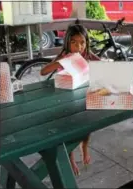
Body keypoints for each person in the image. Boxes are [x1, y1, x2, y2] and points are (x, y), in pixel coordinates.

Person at [41, 24, 100, 175]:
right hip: (66, 101)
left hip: (85, 98)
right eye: (74, 42)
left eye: (82, 42)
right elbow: (43, 71)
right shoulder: (64, 56)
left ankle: (84, 148)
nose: (78, 47)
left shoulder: (87, 55)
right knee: (69, 130)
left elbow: (103, 65)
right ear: (67, 42)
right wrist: (62, 62)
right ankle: (71, 157)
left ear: (87, 43)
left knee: (87, 127)